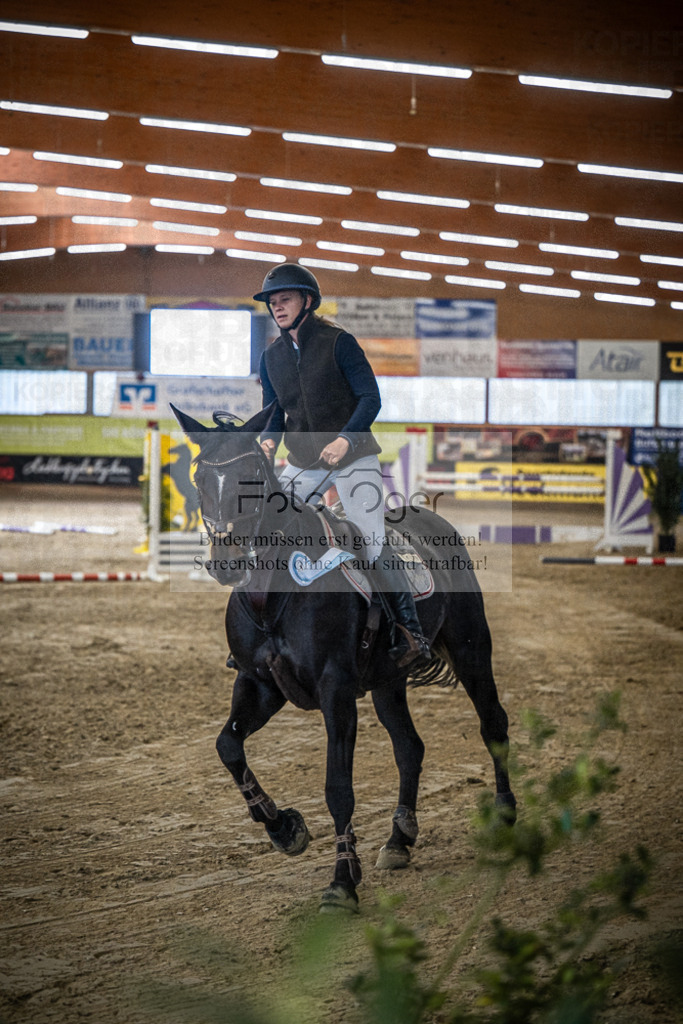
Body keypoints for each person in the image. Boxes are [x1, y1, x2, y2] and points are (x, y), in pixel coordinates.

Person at [253, 262, 430, 668]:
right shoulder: (270, 357)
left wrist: (344, 438)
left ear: (307, 302)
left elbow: (371, 399)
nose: (278, 308)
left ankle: (410, 630)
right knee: (268, 531)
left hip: (354, 457)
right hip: (303, 461)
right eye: (273, 302)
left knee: (370, 541)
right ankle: (261, 629)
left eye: (285, 300)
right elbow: (274, 415)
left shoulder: (340, 343)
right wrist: (266, 441)